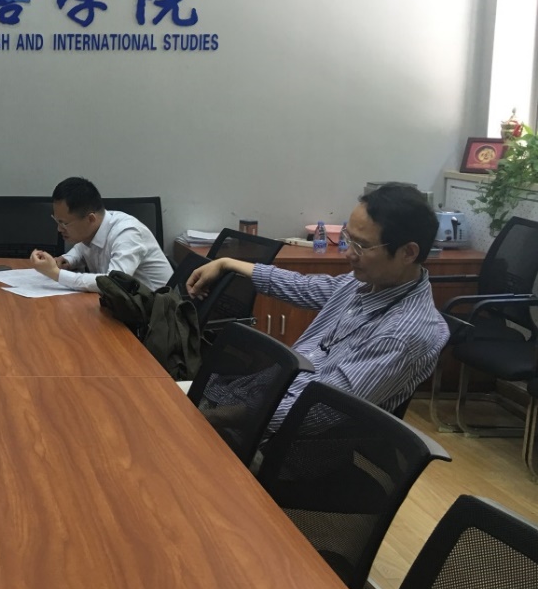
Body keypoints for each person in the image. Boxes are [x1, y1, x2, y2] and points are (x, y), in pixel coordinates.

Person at [186, 183, 448, 430]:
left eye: (362, 246)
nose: (348, 253)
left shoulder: (401, 335)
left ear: (408, 253)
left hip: (276, 440)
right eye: (348, 239)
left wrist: (214, 418)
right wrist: (229, 263)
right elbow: (304, 286)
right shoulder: (369, 283)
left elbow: (315, 411)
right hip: (257, 398)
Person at [28, 177, 171, 292]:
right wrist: (66, 261)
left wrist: (56, 274)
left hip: (157, 311)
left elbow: (113, 283)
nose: (59, 229)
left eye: (64, 223)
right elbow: (82, 249)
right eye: (57, 221)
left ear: (90, 219)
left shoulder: (127, 233)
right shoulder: (93, 229)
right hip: (126, 305)